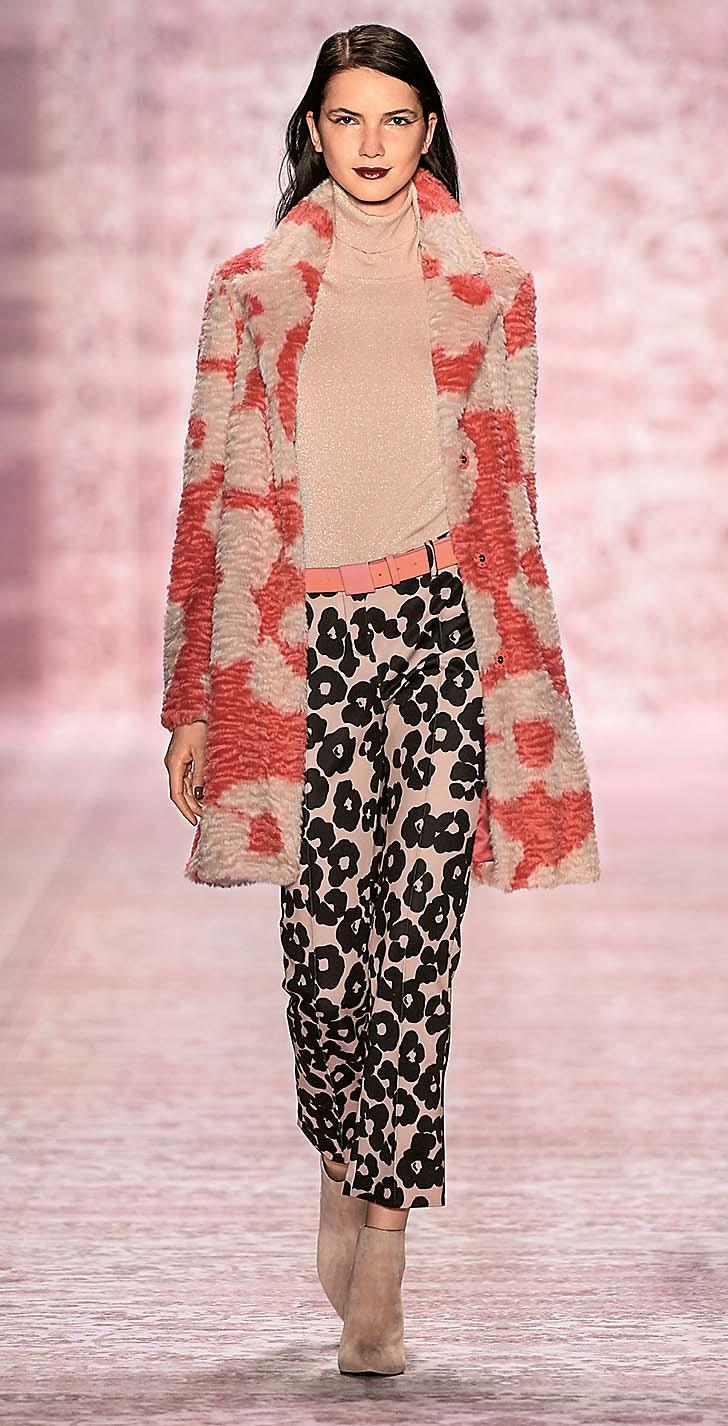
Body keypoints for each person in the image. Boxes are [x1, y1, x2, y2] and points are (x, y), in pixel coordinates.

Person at [161, 24, 601, 1378]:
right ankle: (342, 1169)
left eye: (395, 119)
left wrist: (519, 687)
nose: (369, 142)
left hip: (432, 642)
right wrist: (190, 699)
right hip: (298, 654)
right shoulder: (248, 293)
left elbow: (509, 504)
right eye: (346, 118)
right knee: (322, 957)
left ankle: (388, 1250)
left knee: (417, 947)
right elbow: (205, 495)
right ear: (312, 130)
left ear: (428, 132)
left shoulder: (492, 292)